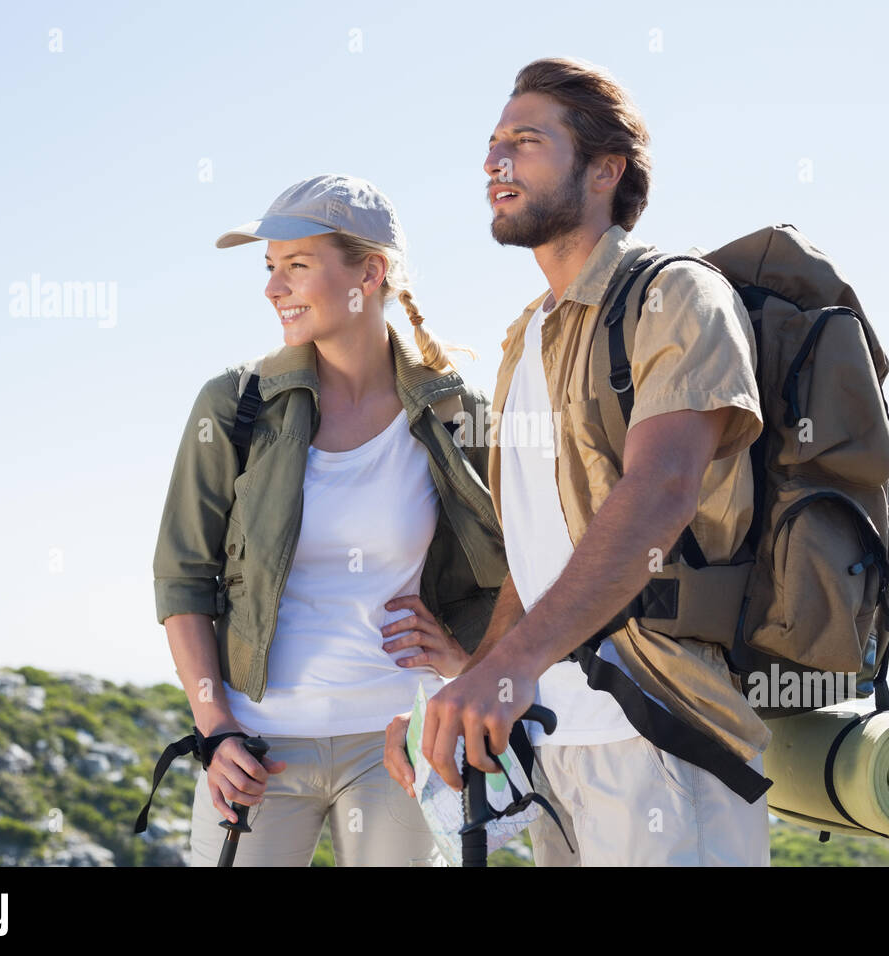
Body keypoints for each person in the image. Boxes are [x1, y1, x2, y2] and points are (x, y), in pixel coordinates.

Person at [383, 58, 772, 866]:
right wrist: (459, 697)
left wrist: (511, 667)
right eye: (492, 144)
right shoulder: (528, 335)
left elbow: (660, 492)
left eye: (525, 142)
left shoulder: (674, 295)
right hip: (552, 743)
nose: (495, 162)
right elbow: (538, 552)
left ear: (604, 170)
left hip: (658, 736)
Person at [153, 174, 507, 866]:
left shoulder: (457, 415)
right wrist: (215, 730)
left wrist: (468, 665)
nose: (272, 288)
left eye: (297, 266)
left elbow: (520, 570)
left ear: (368, 273)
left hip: (400, 743)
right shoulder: (234, 404)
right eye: (269, 268)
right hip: (257, 750)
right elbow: (181, 578)